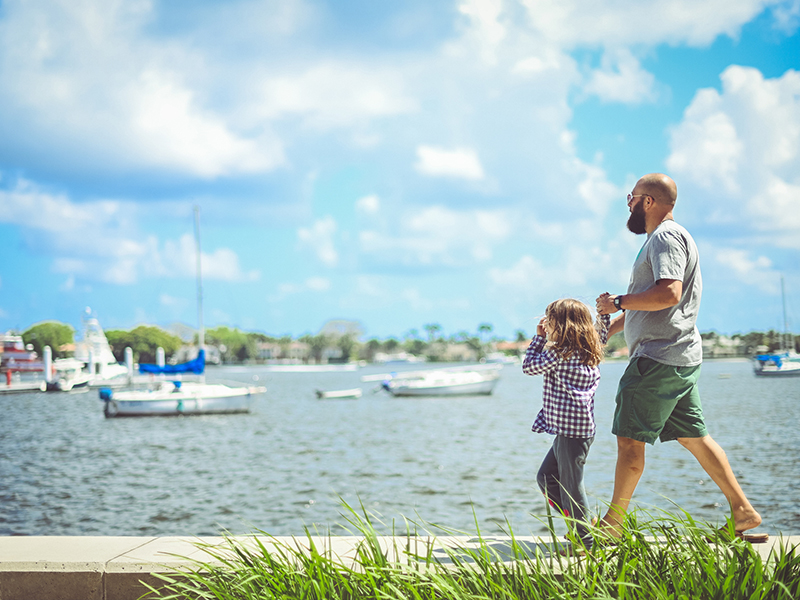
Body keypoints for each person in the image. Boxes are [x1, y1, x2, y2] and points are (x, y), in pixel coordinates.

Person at [595, 172, 766, 542]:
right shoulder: (667, 239)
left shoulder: (665, 238)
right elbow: (653, 303)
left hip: (657, 360)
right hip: (678, 356)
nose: (628, 202)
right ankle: (743, 511)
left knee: (629, 442)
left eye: (632, 197)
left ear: (649, 202)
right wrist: (607, 331)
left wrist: (617, 302)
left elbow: (668, 294)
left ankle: (612, 526)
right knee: (695, 438)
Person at [523, 298, 610, 551]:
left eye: (549, 321)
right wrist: (603, 315)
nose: (546, 325)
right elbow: (602, 331)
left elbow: (529, 367)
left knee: (571, 485)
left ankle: (585, 540)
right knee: (547, 477)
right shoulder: (590, 345)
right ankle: (584, 523)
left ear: (561, 325)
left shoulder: (559, 352)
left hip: (571, 432)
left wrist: (539, 339)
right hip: (577, 431)